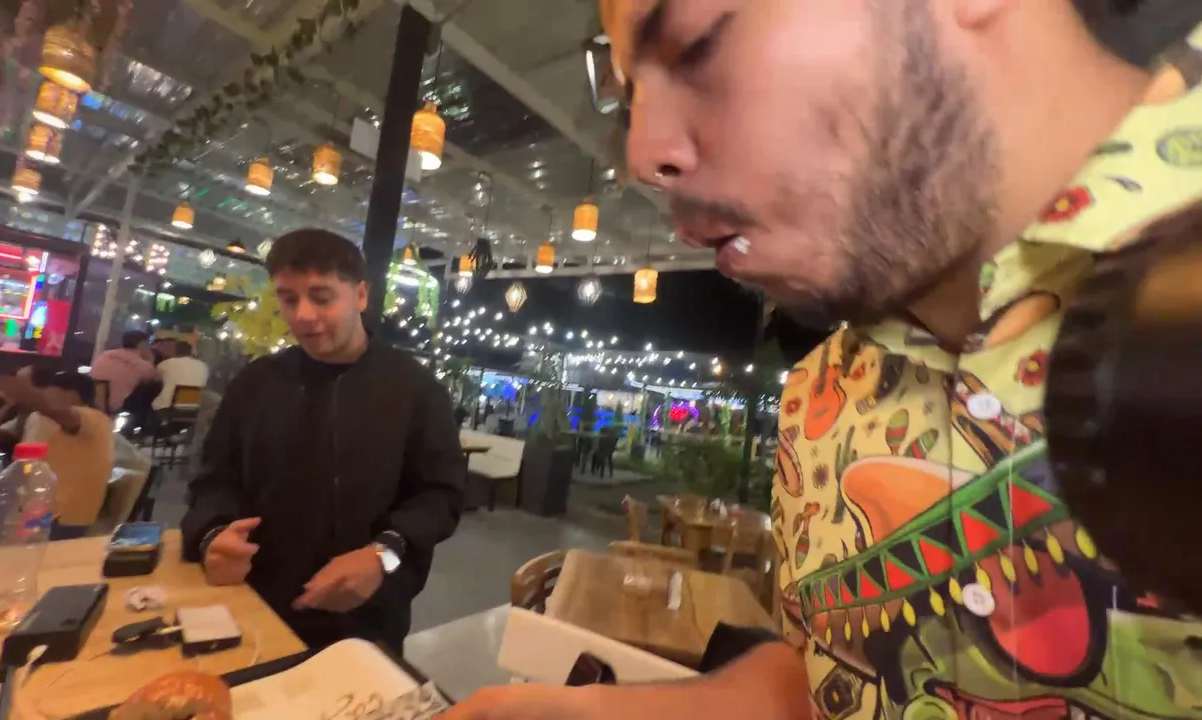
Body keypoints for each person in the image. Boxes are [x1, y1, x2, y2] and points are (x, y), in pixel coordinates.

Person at [445, 1, 1202, 719]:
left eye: (698, 40)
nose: (642, 154)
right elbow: (822, 682)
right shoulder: (820, 398)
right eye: (631, 99)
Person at [180, 228, 465, 653]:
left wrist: (382, 555)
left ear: (361, 295)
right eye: (288, 299)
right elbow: (213, 479)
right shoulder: (256, 383)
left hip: (365, 622)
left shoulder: (416, 391)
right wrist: (212, 536)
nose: (303, 316)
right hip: (252, 603)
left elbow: (440, 497)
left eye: (322, 297)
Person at [0, 358, 113, 540]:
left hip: (57, 520)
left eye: (49, 391)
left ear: (72, 396)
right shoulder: (39, 418)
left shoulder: (94, 419)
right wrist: (10, 404)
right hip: (34, 510)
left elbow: (49, 408)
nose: (44, 395)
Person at [91, 330, 159, 413]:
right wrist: (150, 360)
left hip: (94, 407)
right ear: (142, 344)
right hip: (120, 410)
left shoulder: (104, 355)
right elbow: (157, 382)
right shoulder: (144, 365)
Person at [152, 341, 209, 411]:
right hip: (193, 408)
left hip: (165, 408)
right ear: (191, 352)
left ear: (175, 351)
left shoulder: (165, 364)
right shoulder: (203, 366)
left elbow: (153, 380)